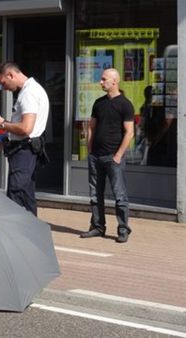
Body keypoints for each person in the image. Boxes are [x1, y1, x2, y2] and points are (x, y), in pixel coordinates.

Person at [80, 68, 134, 243]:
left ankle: (123, 229)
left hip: (113, 158)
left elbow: (129, 133)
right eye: (101, 79)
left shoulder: (125, 104)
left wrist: (118, 155)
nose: (101, 82)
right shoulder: (98, 103)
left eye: (104, 79)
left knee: (120, 195)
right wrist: (90, 150)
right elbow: (91, 127)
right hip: (96, 156)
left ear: (114, 81)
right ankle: (97, 226)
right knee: (95, 194)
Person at [0, 61, 49, 216]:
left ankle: (13, 235)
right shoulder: (32, 90)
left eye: (3, 82)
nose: (3, 88)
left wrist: (2, 124)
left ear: (11, 75)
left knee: (16, 193)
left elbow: (26, 128)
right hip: (26, 149)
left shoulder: (28, 93)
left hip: (24, 150)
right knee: (27, 195)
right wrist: (5, 125)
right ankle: (31, 232)